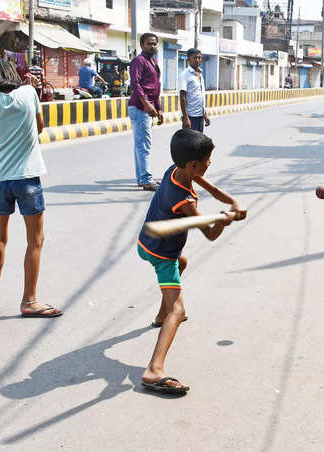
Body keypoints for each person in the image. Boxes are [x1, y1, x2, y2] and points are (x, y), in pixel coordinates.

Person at [137, 128, 247, 394]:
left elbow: (211, 186)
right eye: (207, 160)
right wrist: (225, 219)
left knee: (181, 264)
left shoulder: (176, 171)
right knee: (178, 308)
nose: (210, 163)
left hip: (147, 243)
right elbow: (209, 234)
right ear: (194, 164)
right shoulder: (183, 199)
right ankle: (154, 369)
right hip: (161, 253)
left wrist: (232, 202)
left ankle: (162, 315)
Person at [0, 58, 62, 319]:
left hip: (0, 178)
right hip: (27, 177)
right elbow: (39, 128)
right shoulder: (28, 93)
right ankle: (29, 301)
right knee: (35, 240)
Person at [128, 33, 163, 191]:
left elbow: (155, 87)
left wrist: (159, 108)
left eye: (154, 44)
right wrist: (147, 104)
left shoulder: (153, 62)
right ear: (142, 45)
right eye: (149, 44)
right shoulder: (138, 61)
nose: (152, 47)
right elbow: (135, 84)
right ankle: (146, 179)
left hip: (148, 107)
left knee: (140, 144)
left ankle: (142, 178)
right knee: (144, 145)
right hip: (140, 107)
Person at [179, 48, 209, 133]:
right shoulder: (185, 75)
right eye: (195, 58)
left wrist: (205, 114)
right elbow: (182, 96)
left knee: (198, 143)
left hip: (200, 116)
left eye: (199, 58)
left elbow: (201, 96)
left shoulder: (200, 74)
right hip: (190, 117)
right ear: (188, 59)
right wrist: (185, 118)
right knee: (189, 144)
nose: (197, 60)